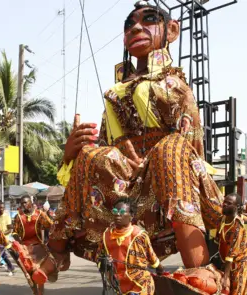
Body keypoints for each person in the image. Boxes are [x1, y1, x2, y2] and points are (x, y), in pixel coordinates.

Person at [46, 1, 223, 281]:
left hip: (167, 178)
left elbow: (191, 145)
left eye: (149, 20)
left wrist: (159, 159)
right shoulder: (115, 93)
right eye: (129, 25)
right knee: (92, 155)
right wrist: (73, 153)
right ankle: (55, 256)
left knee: (171, 148)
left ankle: (198, 266)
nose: (136, 28)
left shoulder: (175, 86)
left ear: (172, 30)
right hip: (127, 183)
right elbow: (106, 143)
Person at [97, 198, 164, 295]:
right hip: (119, 286)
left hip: (140, 284)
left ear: (131, 215)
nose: (118, 214)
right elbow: (99, 259)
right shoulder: (106, 236)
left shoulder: (139, 235)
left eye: (122, 211)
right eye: (115, 211)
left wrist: (160, 268)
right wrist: (104, 263)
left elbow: (152, 257)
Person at [11, 196, 53, 293]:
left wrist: (47, 240)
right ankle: (35, 291)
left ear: (31, 202)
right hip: (25, 247)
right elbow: (14, 232)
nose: (23, 205)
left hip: (38, 246)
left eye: (25, 203)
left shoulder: (39, 214)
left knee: (40, 273)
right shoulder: (18, 216)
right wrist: (20, 242)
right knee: (30, 274)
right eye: (22, 203)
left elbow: (50, 225)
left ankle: (40, 293)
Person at [216, 193, 247, 295]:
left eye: (229, 203)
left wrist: (225, 277)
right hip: (227, 264)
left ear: (236, 207)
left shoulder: (238, 226)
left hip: (240, 265)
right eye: (224, 202)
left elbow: (231, 254)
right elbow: (217, 243)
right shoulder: (221, 221)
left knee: (237, 292)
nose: (224, 204)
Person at [0, 201, 15, 276]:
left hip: (4, 238)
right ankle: (11, 267)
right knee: (3, 254)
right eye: (0, 207)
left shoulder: (7, 216)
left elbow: (10, 229)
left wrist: (2, 234)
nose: (1, 209)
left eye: (2, 208)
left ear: (4, 208)